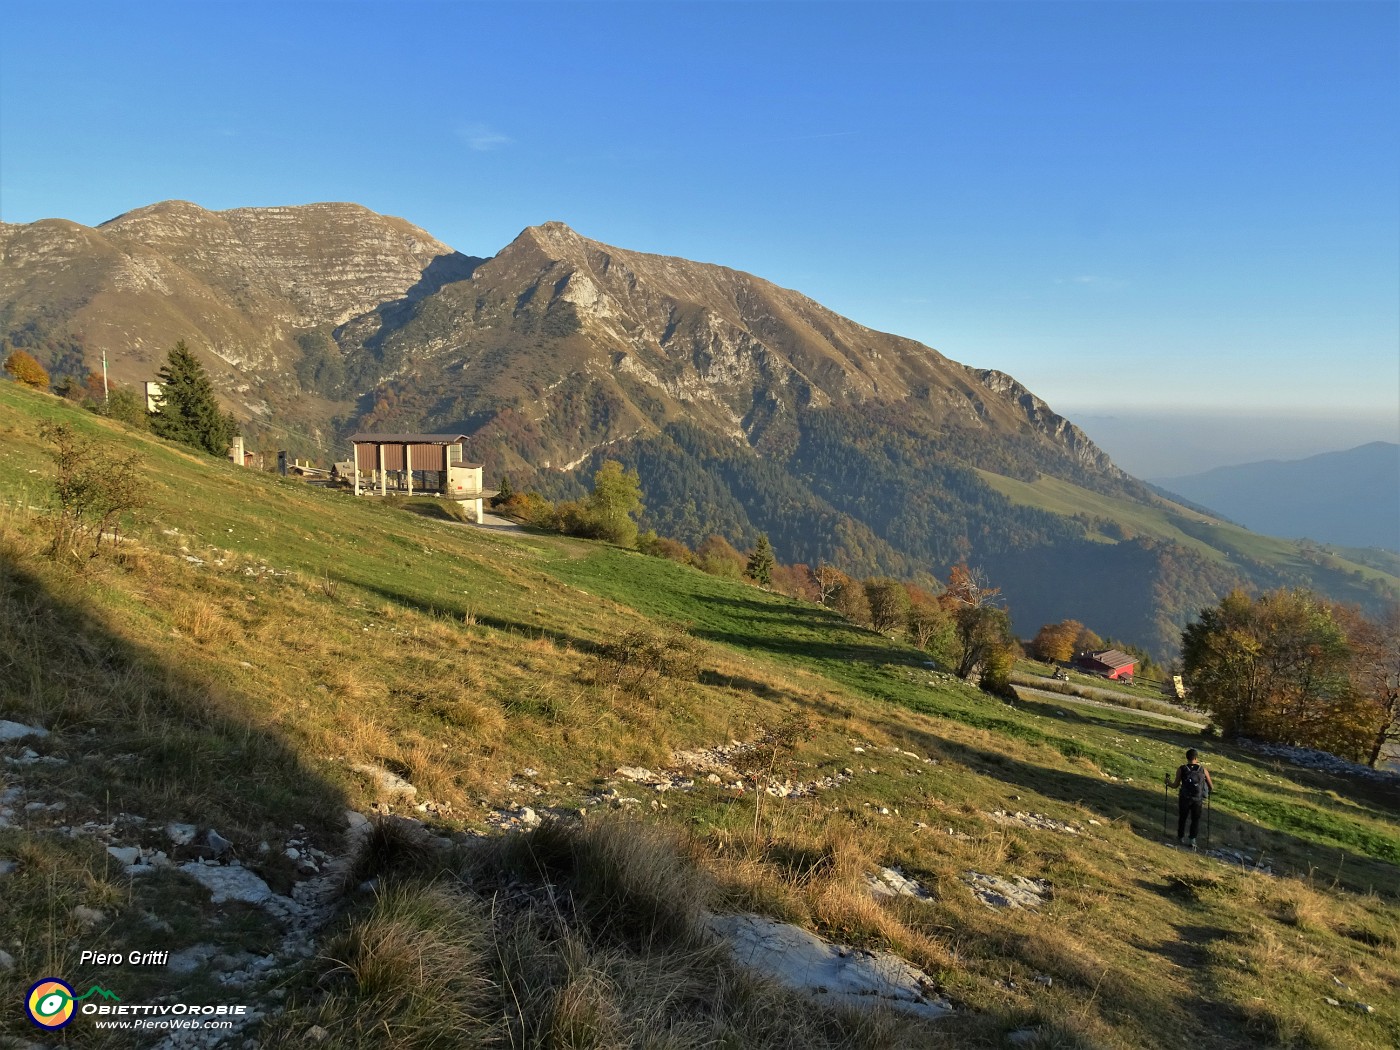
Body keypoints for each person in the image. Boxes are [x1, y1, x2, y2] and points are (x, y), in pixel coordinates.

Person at [1167, 748, 1214, 847]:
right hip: (1197, 799)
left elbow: (1175, 785)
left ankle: (1180, 837)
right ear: (1196, 758)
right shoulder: (1203, 770)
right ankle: (1192, 840)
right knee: (1195, 819)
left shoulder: (1182, 769)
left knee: (1183, 818)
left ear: (1187, 757)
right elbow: (1211, 786)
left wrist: (1167, 782)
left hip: (1184, 798)